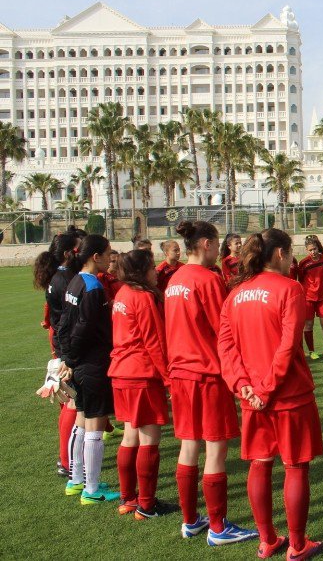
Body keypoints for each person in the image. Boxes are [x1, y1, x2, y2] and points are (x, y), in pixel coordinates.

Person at [218, 229, 323, 560]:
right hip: (288, 396)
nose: (292, 257)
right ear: (279, 253)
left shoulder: (235, 293)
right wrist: (264, 389)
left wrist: (242, 385)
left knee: (260, 465)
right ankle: (296, 545)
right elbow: (289, 344)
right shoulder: (290, 289)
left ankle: (267, 541)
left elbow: (225, 346)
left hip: (253, 399)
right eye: (290, 251)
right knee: (295, 468)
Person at [164, 220, 257, 545]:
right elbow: (226, 331)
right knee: (216, 449)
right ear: (206, 244)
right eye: (217, 244)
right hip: (207, 375)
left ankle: (190, 520)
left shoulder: (174, 280)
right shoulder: (208, 279)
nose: (219, 250)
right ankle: (218, 527)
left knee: (189, 447)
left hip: (180, 375)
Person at [57, 234, 120, 505]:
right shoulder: (93, 287)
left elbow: (63, 323)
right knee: (94, 424)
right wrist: (70, 359)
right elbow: (84, 328)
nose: (110, 259)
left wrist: (66, 357)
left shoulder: (76, 280)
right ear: (95, 257)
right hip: (92, 363)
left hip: (80, 361)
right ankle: (92, 490)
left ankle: (76, 479)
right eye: (107, 254)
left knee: (81, 422)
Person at [109, 249, 173, 518]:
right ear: (141, 271)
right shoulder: (143, 297)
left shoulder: (122, 293)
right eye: (151, 268)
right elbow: (154, 342)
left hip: (121, 372)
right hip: (141, 374)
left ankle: (128, 498)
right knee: (149, 439)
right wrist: (169, 379)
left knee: (129, 436)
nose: (155, 271)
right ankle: (146, 504)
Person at [34, 232, 82, 478]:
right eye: (77, 248)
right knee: (72, 401)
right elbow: (67, 321)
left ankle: (67, 457)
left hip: (63, 344)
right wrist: (68, 354)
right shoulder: (65, 280)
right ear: (67, 253)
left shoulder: (60, 277)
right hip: (68, 346)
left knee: (68, 402)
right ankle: (66, 461)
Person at [297, 235, 323, 360]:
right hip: (308, 299)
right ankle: (312, 352)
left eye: (315, 249)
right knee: (308, 325)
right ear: (307, 250)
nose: (313, 252)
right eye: (310, 250)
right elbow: (301, 279)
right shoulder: (303, 263)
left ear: (318, 247)